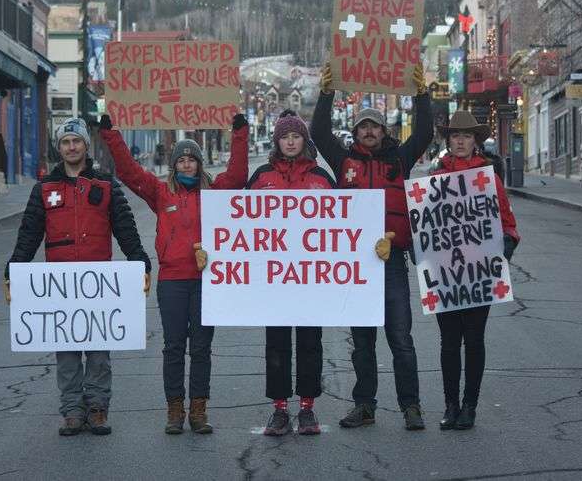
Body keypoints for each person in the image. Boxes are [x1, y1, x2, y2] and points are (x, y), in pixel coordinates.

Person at [98, 113, 249, 435]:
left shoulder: (215, 191)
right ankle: (174, 410)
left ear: (199, 162)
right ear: (173, 164)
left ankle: (198, 409)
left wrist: (240, 133)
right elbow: (128, 171)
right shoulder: (159, 192)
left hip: (208, 280)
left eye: (190, 159)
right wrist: (111, 134)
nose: (185, 165)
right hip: (172, 281)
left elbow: (237, 175)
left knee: (202, 347)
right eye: (180, 160)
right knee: (173, 346)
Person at [3, 117, 152, 437]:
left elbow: (125, 229)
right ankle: (72, 410)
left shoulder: (106, 185)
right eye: (65, 142)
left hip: (98, 286)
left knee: (99, 349)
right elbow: (29, 234)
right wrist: (14, 267)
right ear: (59, 148)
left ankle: (97, 408)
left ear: (86, 145)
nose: (71, 147)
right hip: (60, 287)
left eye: (77, 141)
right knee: (67, 351)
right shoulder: (44, 189)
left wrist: (139, 259)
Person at [311, 63, 433, 431]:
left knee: (400, 338)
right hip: (356, 265)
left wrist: (422, 94)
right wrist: (326, 92)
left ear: (383, 131)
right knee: (362, 343)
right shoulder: (342, 160)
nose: (368, 131)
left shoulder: (400, 159)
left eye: (374, 126)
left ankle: (411, 406)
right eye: (363, 126)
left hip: (392, 262)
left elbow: (425, 132)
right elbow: (318, 131)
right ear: (357, 132)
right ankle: (364, 405)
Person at [244, 110, 336, 436]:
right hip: (274, 279)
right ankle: (280, 409)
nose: (291, 141)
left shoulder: (322, 178)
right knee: (277, 344)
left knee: (311, 342)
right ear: (278, 141)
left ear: (304, 140)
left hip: (312, 279)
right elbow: (240, 224)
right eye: (285, 137)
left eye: (296, 136)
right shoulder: (261, 177)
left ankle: (307, 408)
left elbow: (344, 225)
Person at [430, 111, 520, 430]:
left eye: (466, 136)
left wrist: (506, 247)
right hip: (444, 272)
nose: (460, 141)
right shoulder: (435, 177)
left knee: (475, 340)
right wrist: (418, 247)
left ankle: (470, 406)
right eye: (455, 135)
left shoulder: (488, 177)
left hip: (478, 271)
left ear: (475, 142)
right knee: (448, 342)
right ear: (448, 140)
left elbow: (507, 222)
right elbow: (425, 225)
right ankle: (450, 405)